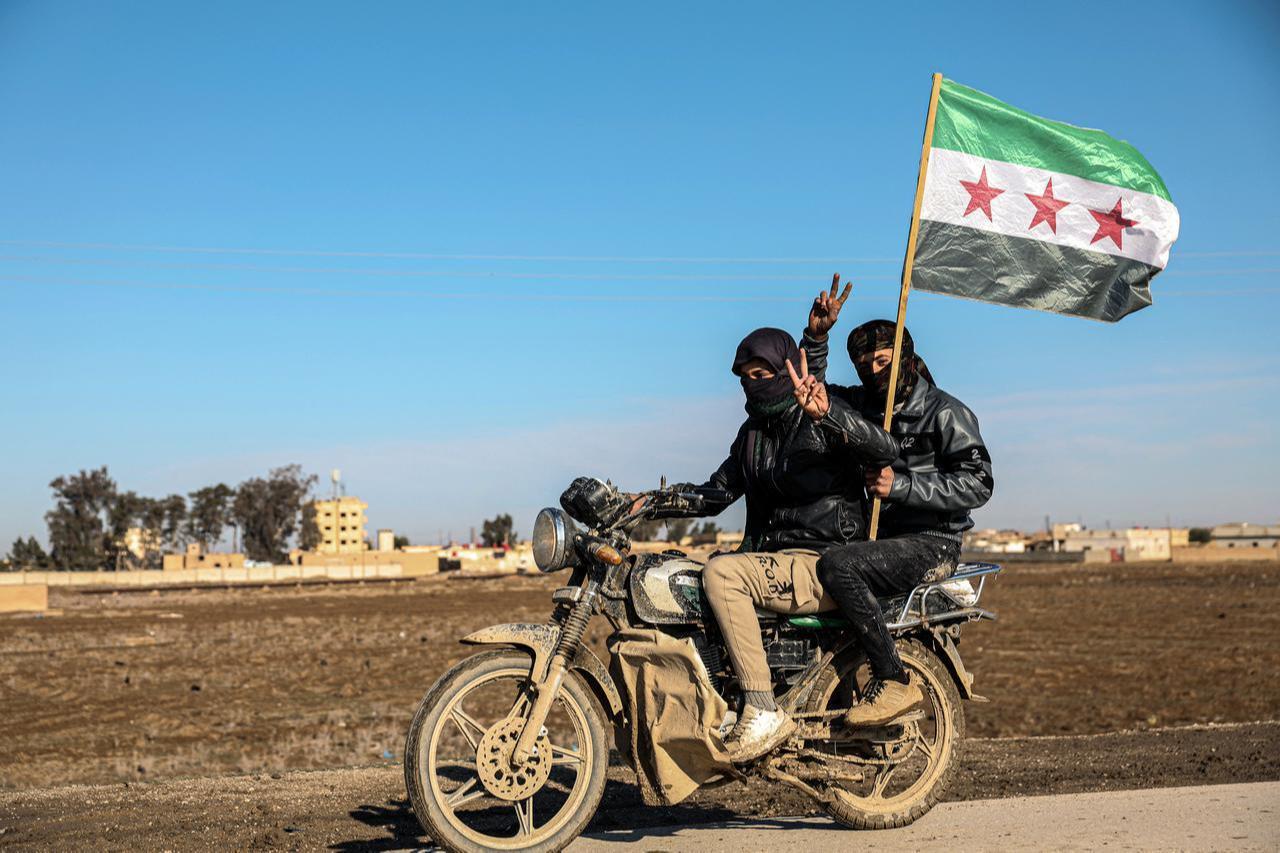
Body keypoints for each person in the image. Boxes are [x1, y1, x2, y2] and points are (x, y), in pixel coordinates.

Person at [642, 277, 901, 762]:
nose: (753, 384)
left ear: (785, 370)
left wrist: (828, 415)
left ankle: (762, 708)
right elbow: (716, 493)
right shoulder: (753, 435)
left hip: (824, 561)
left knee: (723, 573)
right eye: (745, 376)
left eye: (763, 373)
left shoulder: (819, 412)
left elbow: (885, 448)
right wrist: (647, 503)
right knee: (691, 579)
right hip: (776, 562)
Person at [800, 319, 993, 727]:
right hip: (880, 540)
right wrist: (817, 339)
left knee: (840, 566)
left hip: (931, 542)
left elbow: (979, 484)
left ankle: (892, 680)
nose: (873, 370)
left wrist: (902, 486)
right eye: (863, 363)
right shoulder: (865, 405)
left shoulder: (946, 412)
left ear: (906, 358)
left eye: (883, 360)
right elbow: (815, 396)